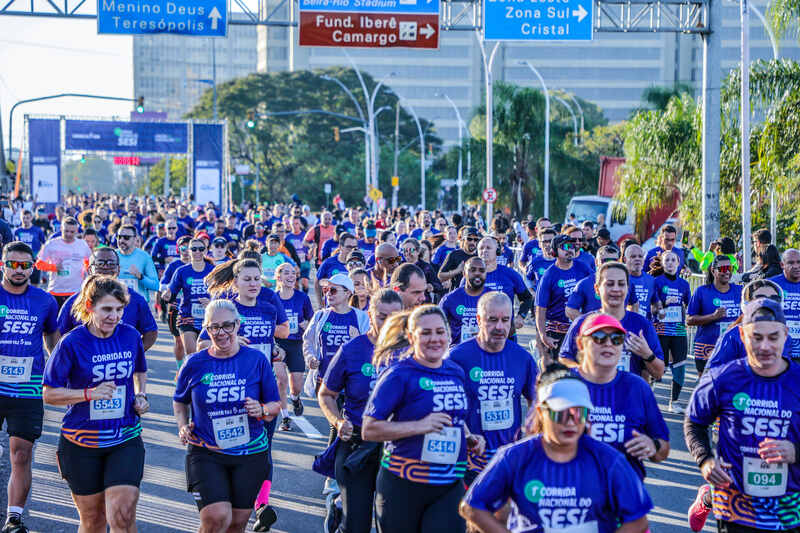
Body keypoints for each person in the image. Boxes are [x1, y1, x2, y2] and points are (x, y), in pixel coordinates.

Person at [460, 364, 653, 533]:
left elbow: (638, 520)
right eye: (560, 413)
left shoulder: (608, 460)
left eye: (579, 413)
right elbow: (471, 507)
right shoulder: (515, 456)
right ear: (541, 413)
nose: (571, 422)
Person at [363, 305, 486, 533]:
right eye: (426, 333)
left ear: (448, 334)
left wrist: (469, 437)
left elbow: (455, 417)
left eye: (440, 332)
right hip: (403, 483)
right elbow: (369, 429)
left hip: (450, 482)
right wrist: (419, 426)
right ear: (411, 337)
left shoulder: (456, 372)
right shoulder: (399, 374)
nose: (435, 339)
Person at [42, 276, 149, 533]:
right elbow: (50, 394)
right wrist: (88, 394)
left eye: (119, 309)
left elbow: (139, 371)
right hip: (80, 441)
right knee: (94, 520)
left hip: (124, 437)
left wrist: (141, 395)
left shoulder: (130, 336)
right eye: (107, 309)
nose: (114, 316)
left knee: (122, 514)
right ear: (89, 306)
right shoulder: (71, 342)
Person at [685, 298, 800, 533]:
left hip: (789, 508)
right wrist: (705, 460)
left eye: (773, 337)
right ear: (742, 335)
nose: (765, 346)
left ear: (786, 334)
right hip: (735, 506)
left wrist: (795, 451)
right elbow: (694, 422)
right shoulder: (723, 378)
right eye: (756, 337)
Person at [173, 299, 282, 533]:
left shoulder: (256, 360)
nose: (221, 333)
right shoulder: (194, 363)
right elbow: (180, 401)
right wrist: (182, 426)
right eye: (214, 327)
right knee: (216, 518)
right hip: (206, 452)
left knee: (236, 524)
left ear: (238, 325)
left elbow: (275, 405)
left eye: (227, 326)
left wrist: (261, 410)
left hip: (250, 454)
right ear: (207, 328)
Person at [317, 289, 404, 533]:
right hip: (357, 443)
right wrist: (337, 421)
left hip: (398, 447)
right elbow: (326, 394)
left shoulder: (412, 351)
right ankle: (340, 511)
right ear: (370, 314)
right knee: (357, 524)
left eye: (393, 318)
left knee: (390, 522)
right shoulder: (352, 349)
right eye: (381, 317)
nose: (387, 324)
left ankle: (339, 507)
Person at [0, 242, 60, 533]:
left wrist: (58, 371)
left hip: (28, 387)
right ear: (3, 264)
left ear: (33, 267)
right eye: (13, 264)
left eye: (25, 265)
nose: (19, 270)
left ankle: (13, 517)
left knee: (21, 453)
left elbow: (52, 339)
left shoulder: (45, 301)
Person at [448, 292, 537, 484]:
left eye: (505, 320)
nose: (499, 327)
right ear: (479, 319)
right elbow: (447, 408)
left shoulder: (523, 358)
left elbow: (535, 403)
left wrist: (528, 440)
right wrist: (467, 436)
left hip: (506, 461)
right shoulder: (457, 358)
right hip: (467, 462)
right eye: (492, 320)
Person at [573, 313, 670, 479]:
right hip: (576, 494)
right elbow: (537, 445)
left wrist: (652, 445)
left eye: (616, 339)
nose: (608, 344)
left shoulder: (638, 388)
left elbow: (663, 449)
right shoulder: (563, 385)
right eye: (599, 337)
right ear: (581, 343)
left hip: (625, 495)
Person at [559, 261, 665, 380]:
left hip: (627, 396)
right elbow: (564, 360)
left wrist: (647, 355)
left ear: (628, 288)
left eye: (621, 284)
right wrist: (587, 370)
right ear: (597, 289)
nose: (616, 289)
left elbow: (659, 373)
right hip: (593, 396)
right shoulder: (582, 323)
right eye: (609, 284)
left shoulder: (642, 325)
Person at [57, 247, 158, 351]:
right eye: (100, 263)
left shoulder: (135, 299)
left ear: (118, 270)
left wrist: (133, 354)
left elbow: (151, 332)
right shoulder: (74, 302)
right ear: (90, 270)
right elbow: (57, 334)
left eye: (111, 263)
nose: (105, 267)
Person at [706, 279, 792, 370]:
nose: (767, 302)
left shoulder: (785, 336)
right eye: (760, 298)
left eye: (774, 298)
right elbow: (713, 372)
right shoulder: (733, 336)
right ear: (748, 303)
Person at [535, 234, 592, 363]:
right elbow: (540, 309)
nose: (570, 249)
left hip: (580, 330)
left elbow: (596, 286)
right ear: (555, 251)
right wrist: (543, 336)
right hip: (557, 332)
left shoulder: (583, 268)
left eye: (572, 246)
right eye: (565, 246)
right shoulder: (549, 275)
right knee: (559, 373)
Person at [686, 254, 742, 374]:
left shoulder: (739, 291)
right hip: (706, 348)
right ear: (713, 271)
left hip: (731, 348)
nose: (726, 272)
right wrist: (713, 317)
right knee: (707, 389)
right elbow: (689, 320)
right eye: (722, 269)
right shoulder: (702, 291)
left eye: (729, 268)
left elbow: (745, 316)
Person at [275, 262, 314, 427]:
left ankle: (296, 399)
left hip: (296, 343)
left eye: (293, 273)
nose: (291, 276)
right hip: (278, 344)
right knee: (281, 380)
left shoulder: (302, 298)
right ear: (279, 277)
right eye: (286, 273)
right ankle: (285, 417)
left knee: (296, 386)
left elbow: (312, 320)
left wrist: (307, 325)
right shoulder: (272, 298)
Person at [163, 237, 216, 357]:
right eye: (194, 249)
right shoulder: (181, 271)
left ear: (206, 251)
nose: (197, 252)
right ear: (189, 251)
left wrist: (211, 302)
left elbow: (221, 295)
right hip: (187, 317)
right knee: (192, 354)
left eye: (201, 249)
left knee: (207, 354)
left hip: (209, 319)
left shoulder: (213, 271)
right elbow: (172, 292)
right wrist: (167, 295)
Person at [653, 250, 692, 412]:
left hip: (678, 331)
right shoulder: (657, 281)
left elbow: (691, 306)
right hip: (661, 330)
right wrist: (664, 302)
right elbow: (652, 306)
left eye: (673, 260)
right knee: (657, 367)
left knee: (680, 365)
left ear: (678, 263)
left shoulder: (684, 285)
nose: (670, 263)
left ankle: (674, 402)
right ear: (662, 264)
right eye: (667, 260)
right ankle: (651, 400)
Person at [566, 245, 637, 320]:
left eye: (614, 261)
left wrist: (629, 322)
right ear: (596, 262)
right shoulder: (584, 284)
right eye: (605, 261)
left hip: (620, 328)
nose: (609, 264)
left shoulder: (626, 281)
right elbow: (570, 310)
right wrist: (588, 324)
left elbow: (634, 304)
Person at [35, 217, 91, 309]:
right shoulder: (51, 244)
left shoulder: (82, 244)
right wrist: (54, 267)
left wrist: (85, 274)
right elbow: (39, 264)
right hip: (56, 290)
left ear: (77, 231)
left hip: (76, 292)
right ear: (61, 229)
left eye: (72, 232)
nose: (68, 234)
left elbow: (88, 262)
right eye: (66, 231)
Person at [440, 257, 488, 345]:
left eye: (481, 270)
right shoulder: (450, 299)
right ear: (464, 273)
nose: (477, 273)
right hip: (456, 353)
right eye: (472, 270)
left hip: (485, 353)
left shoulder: (494, 298)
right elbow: (437, 328)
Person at [115, 224, 159, 304]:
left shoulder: (144, 257)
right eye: (119, 237)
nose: (121, 240)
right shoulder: (112, 255)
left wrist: (140, 276)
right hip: (117, 305)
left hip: (138, 305)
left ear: (135, 239)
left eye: (126, 237)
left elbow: (155, 285)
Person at [316, 233, 357, 307]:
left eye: (354, 248)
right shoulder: (329, 262)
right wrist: (320, 303)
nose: (352, 250)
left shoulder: (358, 264)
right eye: (348, 247)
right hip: (332, 307)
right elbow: (317, 282)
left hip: (350, 308)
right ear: (340, 247)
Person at [625, 243, 658, 320]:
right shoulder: (620, 279)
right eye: (633, 256)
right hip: (625, 325)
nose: (637, 259)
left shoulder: (650, 279)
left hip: (644, 325)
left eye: (640, 256)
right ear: (625, 259)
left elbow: (655, 304)